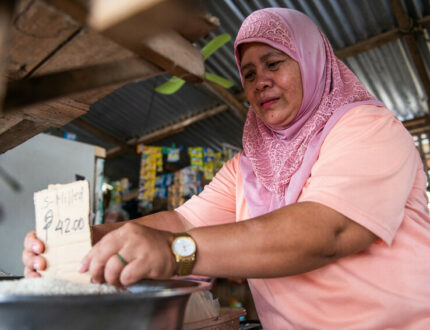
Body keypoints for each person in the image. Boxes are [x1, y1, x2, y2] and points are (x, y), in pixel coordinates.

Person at [23, 8, 430, 329]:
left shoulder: (365, 127)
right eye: (249, 73)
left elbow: (328, 231)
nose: (260, 82)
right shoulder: (248, 168)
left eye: (274, 63)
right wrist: (88, 242)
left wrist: (175, 253)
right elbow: (182, 220)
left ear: (311, 61)